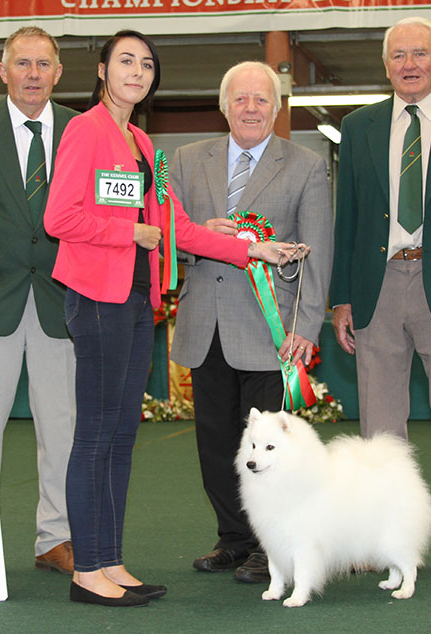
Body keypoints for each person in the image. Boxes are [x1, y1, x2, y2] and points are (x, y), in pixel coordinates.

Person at [44, 31, 298, 607]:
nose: (137, 71)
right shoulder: (83, 130)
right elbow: (61, 216)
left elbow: (181, 228)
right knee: (96, 436)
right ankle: (87, 571)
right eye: (125, 61)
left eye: (147, 64)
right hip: (97, 296)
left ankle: (109, 559)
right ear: (103, 70)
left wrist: (257, 250)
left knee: (120, 435)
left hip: (138, 300)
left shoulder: (145, 146)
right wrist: (126, 231)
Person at [170, 61, 334, 583]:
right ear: (224, 105)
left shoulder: (305, 165)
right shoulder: (185, 161)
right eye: (240, 99)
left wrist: (306, 327)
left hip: (272, 331)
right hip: (205, 326)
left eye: (262, 99)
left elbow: (318, 253)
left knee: (272, 451)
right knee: (216, 444)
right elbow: (168, 243)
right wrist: (199, 239)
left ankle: (272, 547)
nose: (250, 108)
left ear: (278, 107)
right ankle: (234, 540)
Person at [330, 16, 431, 577]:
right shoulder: (359, 126)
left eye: (420, 53)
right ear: (385, 65)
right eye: (398, 56)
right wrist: (342, 297)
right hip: (378, 287)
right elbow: (351, 217)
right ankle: (381, 540)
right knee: (379, 429)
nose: (409, 64)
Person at [0, 27, 77, 575]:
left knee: (61, 425)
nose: (33, 74)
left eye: (43, 64)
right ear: (3, 70)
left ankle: (54, 539)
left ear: (58, 73)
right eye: (23, 64)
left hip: (60, 301)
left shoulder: (82, 132)